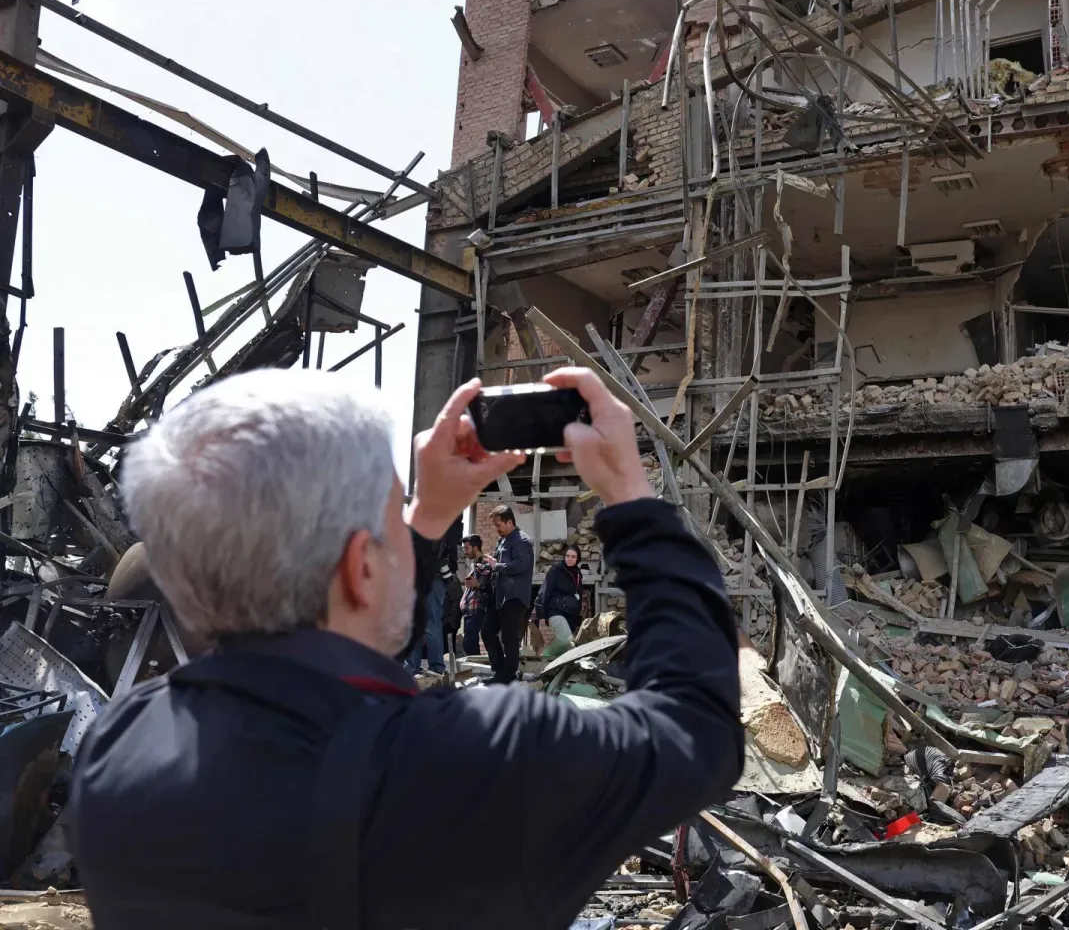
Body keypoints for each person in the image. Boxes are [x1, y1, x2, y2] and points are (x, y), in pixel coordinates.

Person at [70, 367, 742, 930]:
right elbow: (697, 729)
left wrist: (424, 516)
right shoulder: (486, 762)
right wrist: (630, 495)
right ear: (362, 568)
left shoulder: (113, 752)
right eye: (394, 520)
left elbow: (328, 680)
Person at [484, 504, 534, 683]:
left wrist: (496, 566)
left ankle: (508, 676)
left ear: (510, 522)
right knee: (488, 631)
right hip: (500, 597)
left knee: (509, 638)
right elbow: (499, 564)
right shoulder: (503, 540)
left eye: (499, 525)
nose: (497, 529)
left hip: (514, 597)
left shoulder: (522, 540)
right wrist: (488, 566)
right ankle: (500, 671)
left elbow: (521, 565)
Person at [404, 520, 460, 675]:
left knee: (430, 623)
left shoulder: (436, 525)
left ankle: (436, 666)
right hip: (421, 577)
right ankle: (412, 666)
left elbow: (437, 553)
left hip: (433, 577)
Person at [537, 544, 586, 657]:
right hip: (555, 611)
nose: (570, 559)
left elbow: (577, 596)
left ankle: (558, 669)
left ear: (577, 559)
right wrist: (542, 614)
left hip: (569, 614)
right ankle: (543, 657)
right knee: (566, 640)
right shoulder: (556, 571)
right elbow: (544, 591)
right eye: (568, 556)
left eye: (573, 557)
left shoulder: (577, 574)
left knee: (569, 647)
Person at [460, 534, 493, 657]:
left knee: (469, 643)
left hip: (478, 610)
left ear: (475, 547)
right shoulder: (473, 565)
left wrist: (477, 584)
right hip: (470, 612)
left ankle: (478, 667)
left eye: (467, 548)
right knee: (469, 643)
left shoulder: (485, 562)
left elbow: (490, 583)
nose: (465, 552)